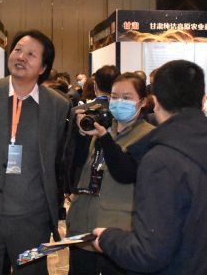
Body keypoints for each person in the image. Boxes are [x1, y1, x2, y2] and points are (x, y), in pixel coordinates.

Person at [92, 60, 207, 275]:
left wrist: (108, 238)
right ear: (202, 99)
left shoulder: (161, 159)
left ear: (155, 102)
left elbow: (148, 252)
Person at [0, 29, 71, 275]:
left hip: (32, 221)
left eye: (31, 54)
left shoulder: (58, 105)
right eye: (18, 50)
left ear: (43, 67)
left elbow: (57, 158)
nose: (21, 57)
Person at [66, 72, 154, 275]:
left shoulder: (149, 135)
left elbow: (126, 172)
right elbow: (76, 167)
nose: (119, 102)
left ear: (142, 102)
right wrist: (80, 134)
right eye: (114, 97)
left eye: (127, 97)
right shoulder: (101, 128)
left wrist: (104, 138)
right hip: (83, 230)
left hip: (118, 234)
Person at [65, 66, 120, 194]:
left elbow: (69, 151)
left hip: (83, 175)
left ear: (95, 85)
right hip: (116, 175)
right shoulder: (126, 112)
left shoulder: (78, 112)